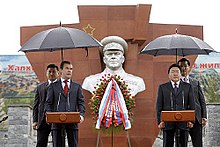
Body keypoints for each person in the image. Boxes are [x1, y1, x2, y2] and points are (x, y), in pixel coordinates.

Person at [46, 61, 85, 147]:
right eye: (67, 68)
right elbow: (48, 103)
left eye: (71, 69)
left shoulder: (77, 87)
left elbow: (81, 102)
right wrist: (48, 115)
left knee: (73, 145)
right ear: (60, 70)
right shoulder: (53, 86)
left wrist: (81, 115)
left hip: (73, 120)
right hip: (56, 121)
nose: (69, 71)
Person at [156, 63, 195, 147]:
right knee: (167, 144)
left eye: (177, 71)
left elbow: (192, 104)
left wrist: (191, 120)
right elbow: (159, 105)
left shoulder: (188, 87)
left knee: (183, 144)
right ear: (169, 74)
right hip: (167, 122)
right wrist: (160, 121)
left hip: (183, 122)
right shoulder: (163, 87)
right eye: (172, 72)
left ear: (180, 74)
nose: (175, 74)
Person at [178, 58, 207, 147]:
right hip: (182, 119)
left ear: (189, 68)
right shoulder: (175, 83)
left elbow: (201, 100)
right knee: (182, 144)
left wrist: (204, 116)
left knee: (198, 144)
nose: (183, 68)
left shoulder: (195, 82)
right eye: (181, 66)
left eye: (185, 66)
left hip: (196, 118)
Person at [33, 63, 59, 147]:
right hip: (42, 120)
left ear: (58, 73)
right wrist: (35, 120)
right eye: (49, 72)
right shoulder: (40, 87)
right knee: (41, 143)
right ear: (46, 73)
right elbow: (36, 105)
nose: (51, 74)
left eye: (54, 72)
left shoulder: (62, 87)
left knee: (57, 143)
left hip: (56, 119)